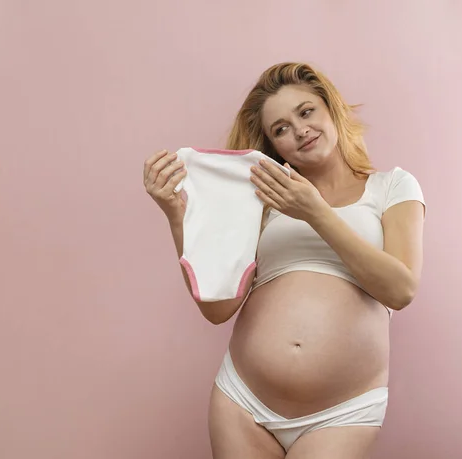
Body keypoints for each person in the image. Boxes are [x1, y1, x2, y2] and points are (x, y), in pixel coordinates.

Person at [143, 62, 426, 459]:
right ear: (274, 146)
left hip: (342, 412)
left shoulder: (392, 186)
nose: (299, 130)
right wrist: (178, 215)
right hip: (243, 402)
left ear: (331, 109)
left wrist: (316, 212)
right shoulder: (261, 201)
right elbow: (218, 309)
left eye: (306, 112)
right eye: (280, 129)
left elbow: (400, 289)